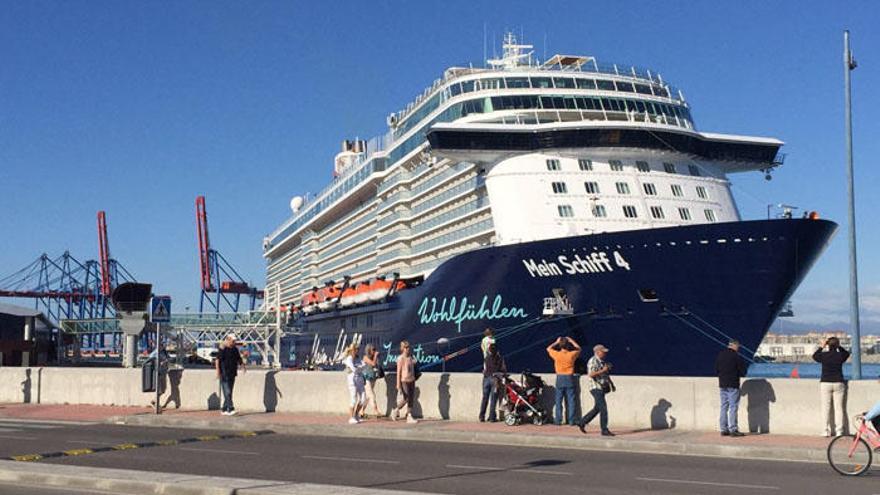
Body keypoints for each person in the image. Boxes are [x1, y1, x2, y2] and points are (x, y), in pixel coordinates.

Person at [813, 336, 850, 436]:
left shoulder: (824, 355)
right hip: (838, 382)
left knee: (826, 408)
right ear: (837, 345)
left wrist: (822, 346)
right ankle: (839, 431)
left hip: (825, 382)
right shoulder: (840, 356)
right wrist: (839, 346)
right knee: (839, 408)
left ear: (828, 345)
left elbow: (815, 356)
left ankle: (825, 431)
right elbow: (847, 353)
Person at [579, 344, 614, 436]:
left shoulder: (602, 361)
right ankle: (604, 430)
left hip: (601, 387)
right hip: (595, 387)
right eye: (603, 352)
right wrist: (603, 370)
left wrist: (611, 383)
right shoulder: (593, 361)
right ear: (598, 352)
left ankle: (582, 422)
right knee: (603, 408)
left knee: (597, 408)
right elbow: (591, 374)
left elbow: (604, 374)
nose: (605, 353)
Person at [715, 340, 747, 437]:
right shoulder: (736, 357)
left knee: (724, 406)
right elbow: (743, 372)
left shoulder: (720, 355)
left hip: (722, 384)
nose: (738, 348)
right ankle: (733, 429)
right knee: (733, 407)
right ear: (734, 345)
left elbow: (716, 369)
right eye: (738, 346)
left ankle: (724, 429)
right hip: (733, 385)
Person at [546, 336, 580, 426]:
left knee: (558, 400)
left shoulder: (557, 354)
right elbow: (579, 348)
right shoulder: (571, 355)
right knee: (571, 400)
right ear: (568, 346)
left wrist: (556, 342)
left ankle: (558, 420)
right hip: (569, 377)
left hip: (560, 377)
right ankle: (571, 421)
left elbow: (548, 348)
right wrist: (571, 340)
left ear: (560, 346)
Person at [215, 333, 245, 416]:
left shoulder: (235, 349)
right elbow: (217, 360)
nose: (234, 342)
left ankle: (224, 409)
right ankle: (231, 408)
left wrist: (242, 366)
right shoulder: (222, 349)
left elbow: (239, 358)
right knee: (227, 392)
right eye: (233, 341)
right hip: (224, 373)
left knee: (229, 392)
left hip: (232, 373)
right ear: (228, 340)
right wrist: (218, 372)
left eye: (234, 341)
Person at [392, 340, 418, 424]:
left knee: (411, 399)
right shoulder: (400, 358)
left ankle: (409, 415)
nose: (407, 349)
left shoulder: (411, 357)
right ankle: (396, 410)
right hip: (404, 381)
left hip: (412, 380)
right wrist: (398, 384)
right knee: (406, 398)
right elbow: (398, 372)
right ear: (402, 348)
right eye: (406, 347)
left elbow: (413, 366)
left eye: (408, 347)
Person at [479, 343, 506, 422]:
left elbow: (484, 370)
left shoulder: (486, 358)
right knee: (493, 399)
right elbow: (503, 369)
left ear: (489, 350)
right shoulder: (500, 358)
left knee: (485, 398)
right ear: (497, 350)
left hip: (486, 379)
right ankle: (491, 417)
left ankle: (481, 416)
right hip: (495, 380)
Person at [342, 343, 366, 424]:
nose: (357, 351)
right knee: (353, 398)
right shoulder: (348, 359)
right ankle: (351, 417)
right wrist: (359, 368)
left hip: (360, 380)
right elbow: (353, 369)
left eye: (358, 349)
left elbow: (364, 365)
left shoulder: (358, 358)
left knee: (363, 399)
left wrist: (359, 368)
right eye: (356, 349)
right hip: (352, 380)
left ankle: (356, 415)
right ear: (352, 350)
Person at [361, 343, 383, 419]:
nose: (374, 351)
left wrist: (377, 357)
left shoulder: (375, 357)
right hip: (366, 379)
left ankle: (361, 411)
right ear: (369, 350)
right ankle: (376, 411)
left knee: (367, 397)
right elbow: (373, 364)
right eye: (373, 349)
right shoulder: (365, 357)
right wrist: (376, 356)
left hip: (373, 378)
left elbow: (377, 366)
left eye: (375, 349)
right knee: (372, 395)